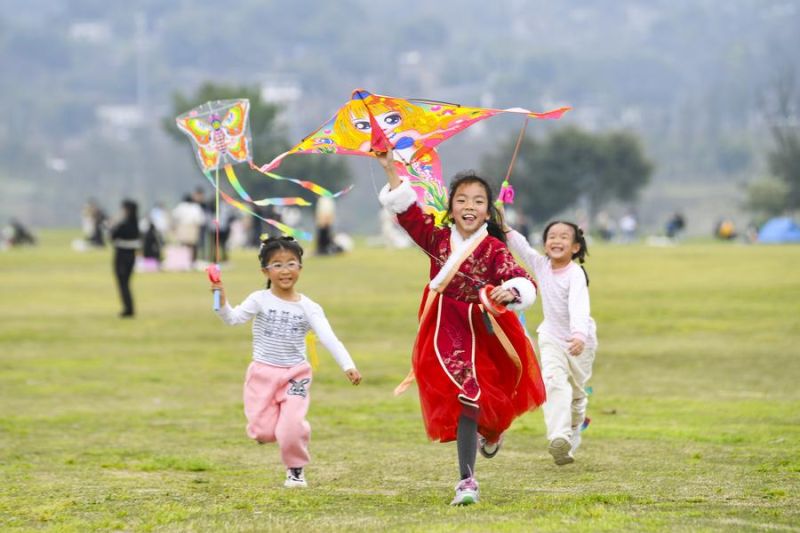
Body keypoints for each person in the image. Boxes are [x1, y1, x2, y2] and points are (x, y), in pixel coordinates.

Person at [376, 152, 545, 506]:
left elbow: (523, 279)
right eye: (462, 199)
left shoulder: (494, 248)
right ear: (451, 206)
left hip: (486, 329)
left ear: (488, 211)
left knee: (493, 399)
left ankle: (494, 432)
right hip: (445, 327)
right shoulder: (436, 239)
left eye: (479, 201)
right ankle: (467, 481)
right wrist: (391, 169)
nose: (470, 206)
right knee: (467, 393)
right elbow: (407, 214)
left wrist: (510, 291)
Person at [210, 236, 362, 488]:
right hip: (262, 373)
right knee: (263, 432)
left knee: (290, 427)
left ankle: (295, 469)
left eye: (292, 263)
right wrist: (220, 300)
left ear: (300, 268)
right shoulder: (259, 299)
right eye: (277, 265)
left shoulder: (309, 307)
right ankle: (278, 432)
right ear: (265, 271)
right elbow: (232, 319)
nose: (285, 271)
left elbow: (329, 337)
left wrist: (348, 365)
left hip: (295, 374)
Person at [501, 212, 597, 466]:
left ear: (575, 247)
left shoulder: (575, 274)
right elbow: (520, 245)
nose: (556, 241)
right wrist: (503, 224)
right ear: (545, 244)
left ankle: (574, 428)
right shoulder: (542, 265)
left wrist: (579, 335)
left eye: (564, 237)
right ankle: (559, 437)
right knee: (553, 383)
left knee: (577, 395)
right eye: (551, 236)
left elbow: (580, 307)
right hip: (552, 337)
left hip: (580, 341)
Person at [110, 199, 141, 318]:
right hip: (131, 255)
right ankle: (129, 307)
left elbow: (112, 236)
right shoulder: (137, 224)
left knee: (123, 283)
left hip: (122, 255)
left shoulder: (124, 224)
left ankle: (128, 309)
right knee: (126, 283)